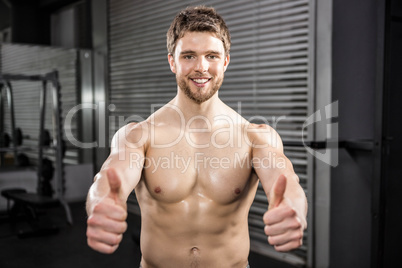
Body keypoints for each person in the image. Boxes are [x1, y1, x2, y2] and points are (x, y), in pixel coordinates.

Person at [86, 6, 307, 268]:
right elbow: (109, 177)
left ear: (225, 61)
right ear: (172, 62)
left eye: (212, 56)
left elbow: (286, 180)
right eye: (189, 56)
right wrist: (100, 204)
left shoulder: (255, 138)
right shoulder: (139, 135)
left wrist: (293, 208)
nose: (201, 67)